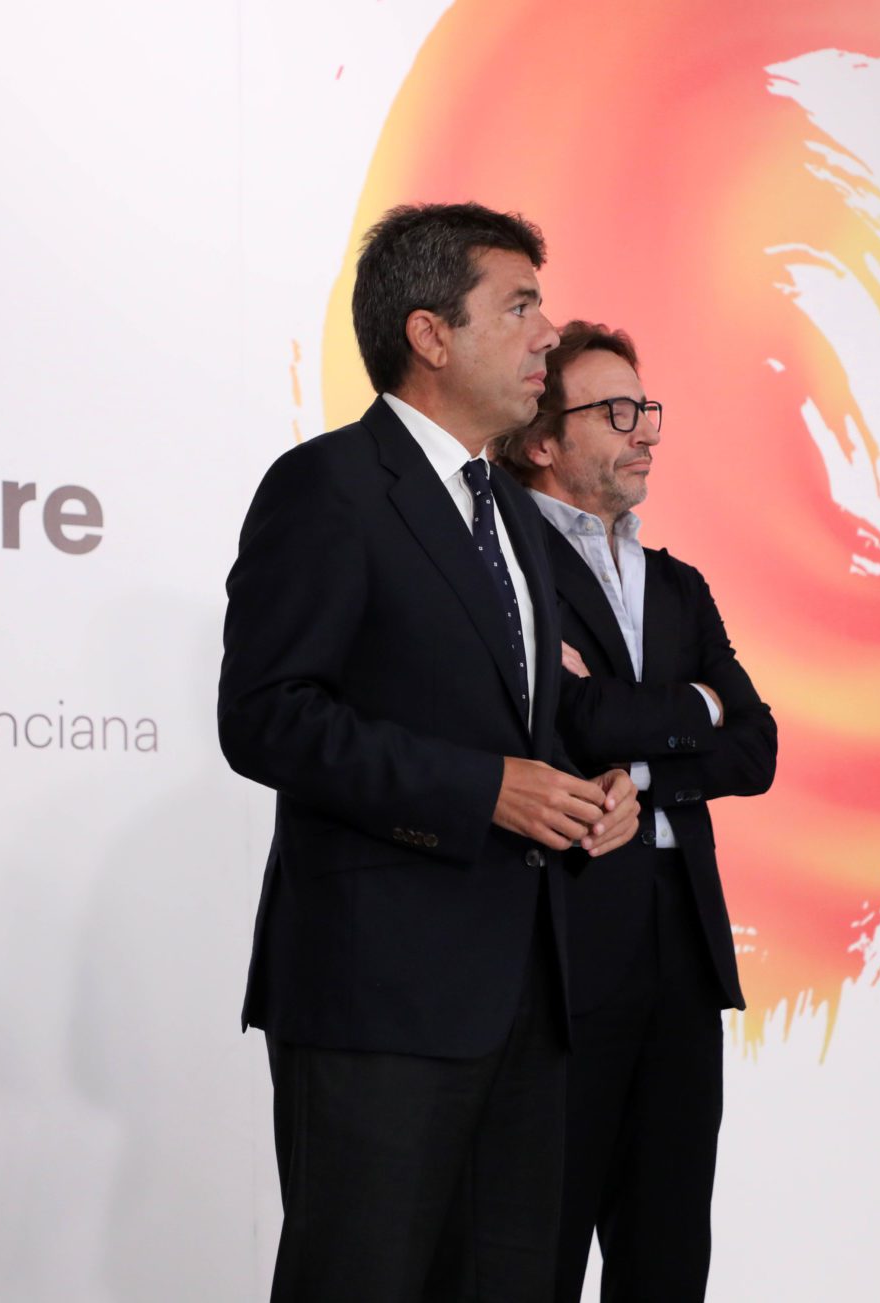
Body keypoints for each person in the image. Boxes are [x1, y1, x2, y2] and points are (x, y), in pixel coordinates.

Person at [219, 205, 711, 1303]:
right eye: (520, 305)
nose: (548, 333)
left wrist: (591, 793)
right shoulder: (329, 486)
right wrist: (484, 789)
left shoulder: (514, 517)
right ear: (431, 334)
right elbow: (266, 715)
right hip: (378, 999)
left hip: (530, 1002)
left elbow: (521, 720)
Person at [494, 320, 778, 1303]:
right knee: (540, 1247)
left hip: (681, 947)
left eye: (645, 407)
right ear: (542, 439)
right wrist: (694, 706)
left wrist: (648, 773)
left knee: (667, 1253)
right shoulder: (508, 563)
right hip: (565, 942)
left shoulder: (681, 585)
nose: (645, 429)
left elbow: (756, 745)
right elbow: (571, 716)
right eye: (616, 411)